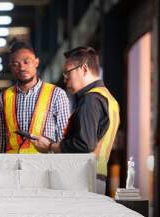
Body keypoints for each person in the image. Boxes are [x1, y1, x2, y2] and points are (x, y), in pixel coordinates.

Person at [32, 46, 120, 195]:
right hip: (96, 177)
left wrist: (50, 146)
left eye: (67, 72)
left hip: (83, 180)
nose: (65, 78)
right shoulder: (108, 98)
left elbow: (85, 144)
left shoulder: (90, 100)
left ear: (84, 69)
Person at [0, 41, 70, 153]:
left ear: (36, 62)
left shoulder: (56, 94)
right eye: (15, 64)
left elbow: (64, 137)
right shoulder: (3, 98)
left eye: (26, 62)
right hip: (13, 167)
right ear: (11, 67)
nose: (22, 67)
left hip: (44, 166)